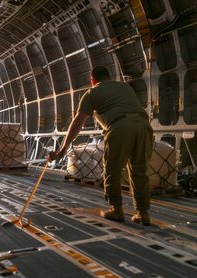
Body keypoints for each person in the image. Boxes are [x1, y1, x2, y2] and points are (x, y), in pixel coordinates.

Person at [48, 65, 154, 225]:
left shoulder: (91, 92)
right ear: (109, 77)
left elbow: (77, 123)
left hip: (120, 127)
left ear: (92, 80)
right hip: (144, 126)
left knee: (112, 170)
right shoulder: (125, 87)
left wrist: (62, 150)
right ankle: (143, 213)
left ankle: (116, 210)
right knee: (140, 171)